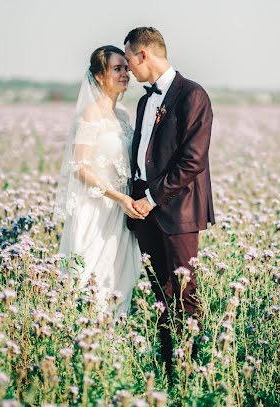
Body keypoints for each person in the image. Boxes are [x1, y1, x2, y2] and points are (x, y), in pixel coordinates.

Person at [124, 27, 215, 378]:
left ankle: (191, 373)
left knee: (184, 293)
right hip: (144, 213)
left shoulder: (192, 95)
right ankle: (168, 370)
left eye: (129, 58)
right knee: (159, 294)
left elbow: (193, 161)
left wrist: (151, 198)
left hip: (177, 212)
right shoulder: (145, 101)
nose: (128, 68)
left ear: (143, 54)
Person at [54, 45, 142, 316]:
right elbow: (79, 168)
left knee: (120, 279)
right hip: (97, 208)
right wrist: (119, 197)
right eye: (117, 69)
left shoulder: (124, 114)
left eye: (126, 67)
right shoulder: (90, 114)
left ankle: (113, 349)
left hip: (122, 212)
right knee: (93, 280)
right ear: (99, 76)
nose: (125, 73)